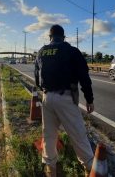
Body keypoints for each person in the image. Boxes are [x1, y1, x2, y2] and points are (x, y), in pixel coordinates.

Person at [34, 24, 95, 177]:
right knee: (78, 134)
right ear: (64, 37)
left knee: (49, 135)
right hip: (65, 98)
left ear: (50, 37)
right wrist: (89, 99)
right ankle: (89, 167)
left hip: (47, 98)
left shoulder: (41, 52)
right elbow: (84, 78)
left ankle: (50, 170)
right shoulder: (72, 51)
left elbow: (36, 78)